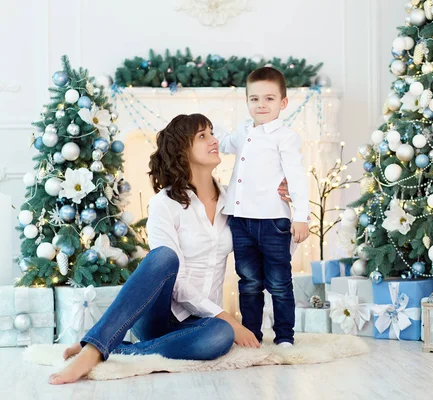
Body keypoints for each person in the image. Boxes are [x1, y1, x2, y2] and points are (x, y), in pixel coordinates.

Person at [48, 113, 291, 385]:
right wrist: (228, 317)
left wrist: (280, 207)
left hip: (198, 324)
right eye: (203, 136)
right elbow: (176, 283)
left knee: (221, 335)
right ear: (182, 150)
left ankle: (120, 349)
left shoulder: (234, 201)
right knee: (164, 257)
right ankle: (93, 349)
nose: (215, 140)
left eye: (212, 133)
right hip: (158, 315)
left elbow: (272, 251)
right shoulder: (165, 203)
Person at [215, 67, 310, 347]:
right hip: (241, 220)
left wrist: (301, 216)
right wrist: (203, 129)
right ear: (247, 102)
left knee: (279, 284)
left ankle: (284, 337)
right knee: (249, 282)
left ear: (283, 103)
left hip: (273, 221)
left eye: (269, 99)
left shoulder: (285, 136)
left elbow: (296, 177)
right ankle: (252, 335)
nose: (261, 105)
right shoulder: (244, 130)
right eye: (254, 99)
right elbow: (224, 144)